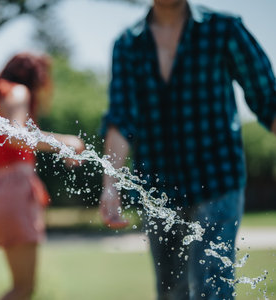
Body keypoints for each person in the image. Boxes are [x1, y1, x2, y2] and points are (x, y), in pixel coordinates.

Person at [99, 0, 276, 299]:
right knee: (171, 292)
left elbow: (267, 99)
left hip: (218, 179)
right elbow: (121, 118)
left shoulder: (224, 29)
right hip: (157, 187)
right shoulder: (128, 44)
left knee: (212, 287)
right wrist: (110, 186)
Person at [0, 52, 85, 300]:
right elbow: (17, 137)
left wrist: (1, 191)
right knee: (23, 289)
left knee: (19, 286)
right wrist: (66, 143)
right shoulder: (19, 92)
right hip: (14, 194)